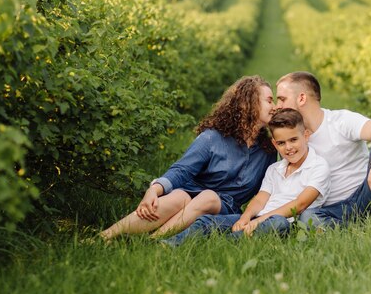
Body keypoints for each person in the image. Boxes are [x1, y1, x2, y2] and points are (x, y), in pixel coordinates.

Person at [100, 75, 277, 241]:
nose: (275, 106)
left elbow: (268, 187)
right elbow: (182, 170)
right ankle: (104, 237)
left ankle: (152, 241)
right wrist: (154, 190)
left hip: (224, 207)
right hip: (191, 194)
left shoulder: (267, 149)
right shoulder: (213, 138)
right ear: (248, 103)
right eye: (269, 100)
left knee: (208, 197)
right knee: (178, 197)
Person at [161, 108, 330, 246]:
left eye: (294, 140)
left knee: (278, 223)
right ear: (274, 144)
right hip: (258, 219)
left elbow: (299, 205)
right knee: (207, 220)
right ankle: (169, 244)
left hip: (287, 222)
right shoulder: (275, 168)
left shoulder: (318, 166)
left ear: (306, 135)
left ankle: (221, 244)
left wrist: (258, 222)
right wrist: (245, 218)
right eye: (281, 143)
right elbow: (260, 199)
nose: (289, 147)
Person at [274, 71, 371, 235]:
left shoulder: (339, 121)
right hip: (331, 210)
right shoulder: (291, 141)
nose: (278, 106)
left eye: (282, 99)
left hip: (365, 195)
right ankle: (357, 231)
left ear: (301, 98)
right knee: (307, 218)